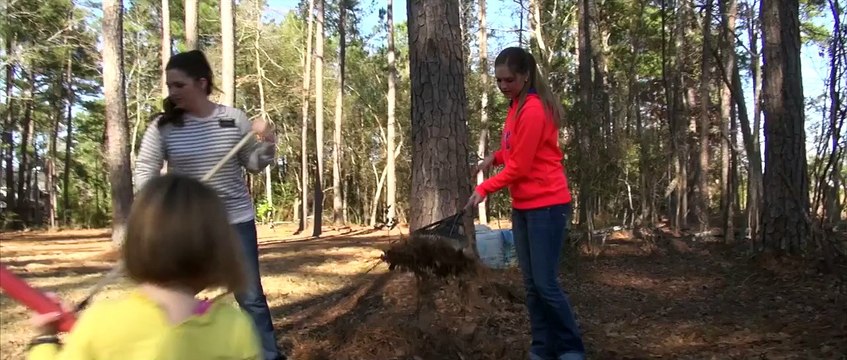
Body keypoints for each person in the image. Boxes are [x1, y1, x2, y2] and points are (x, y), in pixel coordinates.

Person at [133, 50, 284, 360]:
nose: (172, 93)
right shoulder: (164, 126)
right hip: (188, 224)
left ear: (201, 83)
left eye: (179, 85)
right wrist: (159, 208)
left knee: (251, 296)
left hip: (235, 221)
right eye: (170, 86)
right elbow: (145, 171)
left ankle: (267, 355)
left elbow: (253, 163)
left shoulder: (233, 118)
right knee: (177, 295)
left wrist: (267, 144)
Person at [26, 174, 261, 360]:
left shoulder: (101, 323)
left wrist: (44, 341)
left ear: (137, 242)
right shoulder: (234, 327)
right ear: (219, 249)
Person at [466, 47, 586, 360]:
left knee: (546, 284)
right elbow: (515, 150)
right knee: (532, 285)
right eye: (499, 81)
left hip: (548, 206)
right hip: (523, 207)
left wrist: (486, 188)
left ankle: (571, 347)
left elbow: (521, 165)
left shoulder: (533, 109)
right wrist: (493, 157)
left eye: (509, 79)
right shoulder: (515, 106)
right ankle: (542, 348)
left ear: (525, 76)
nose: (503, 86)